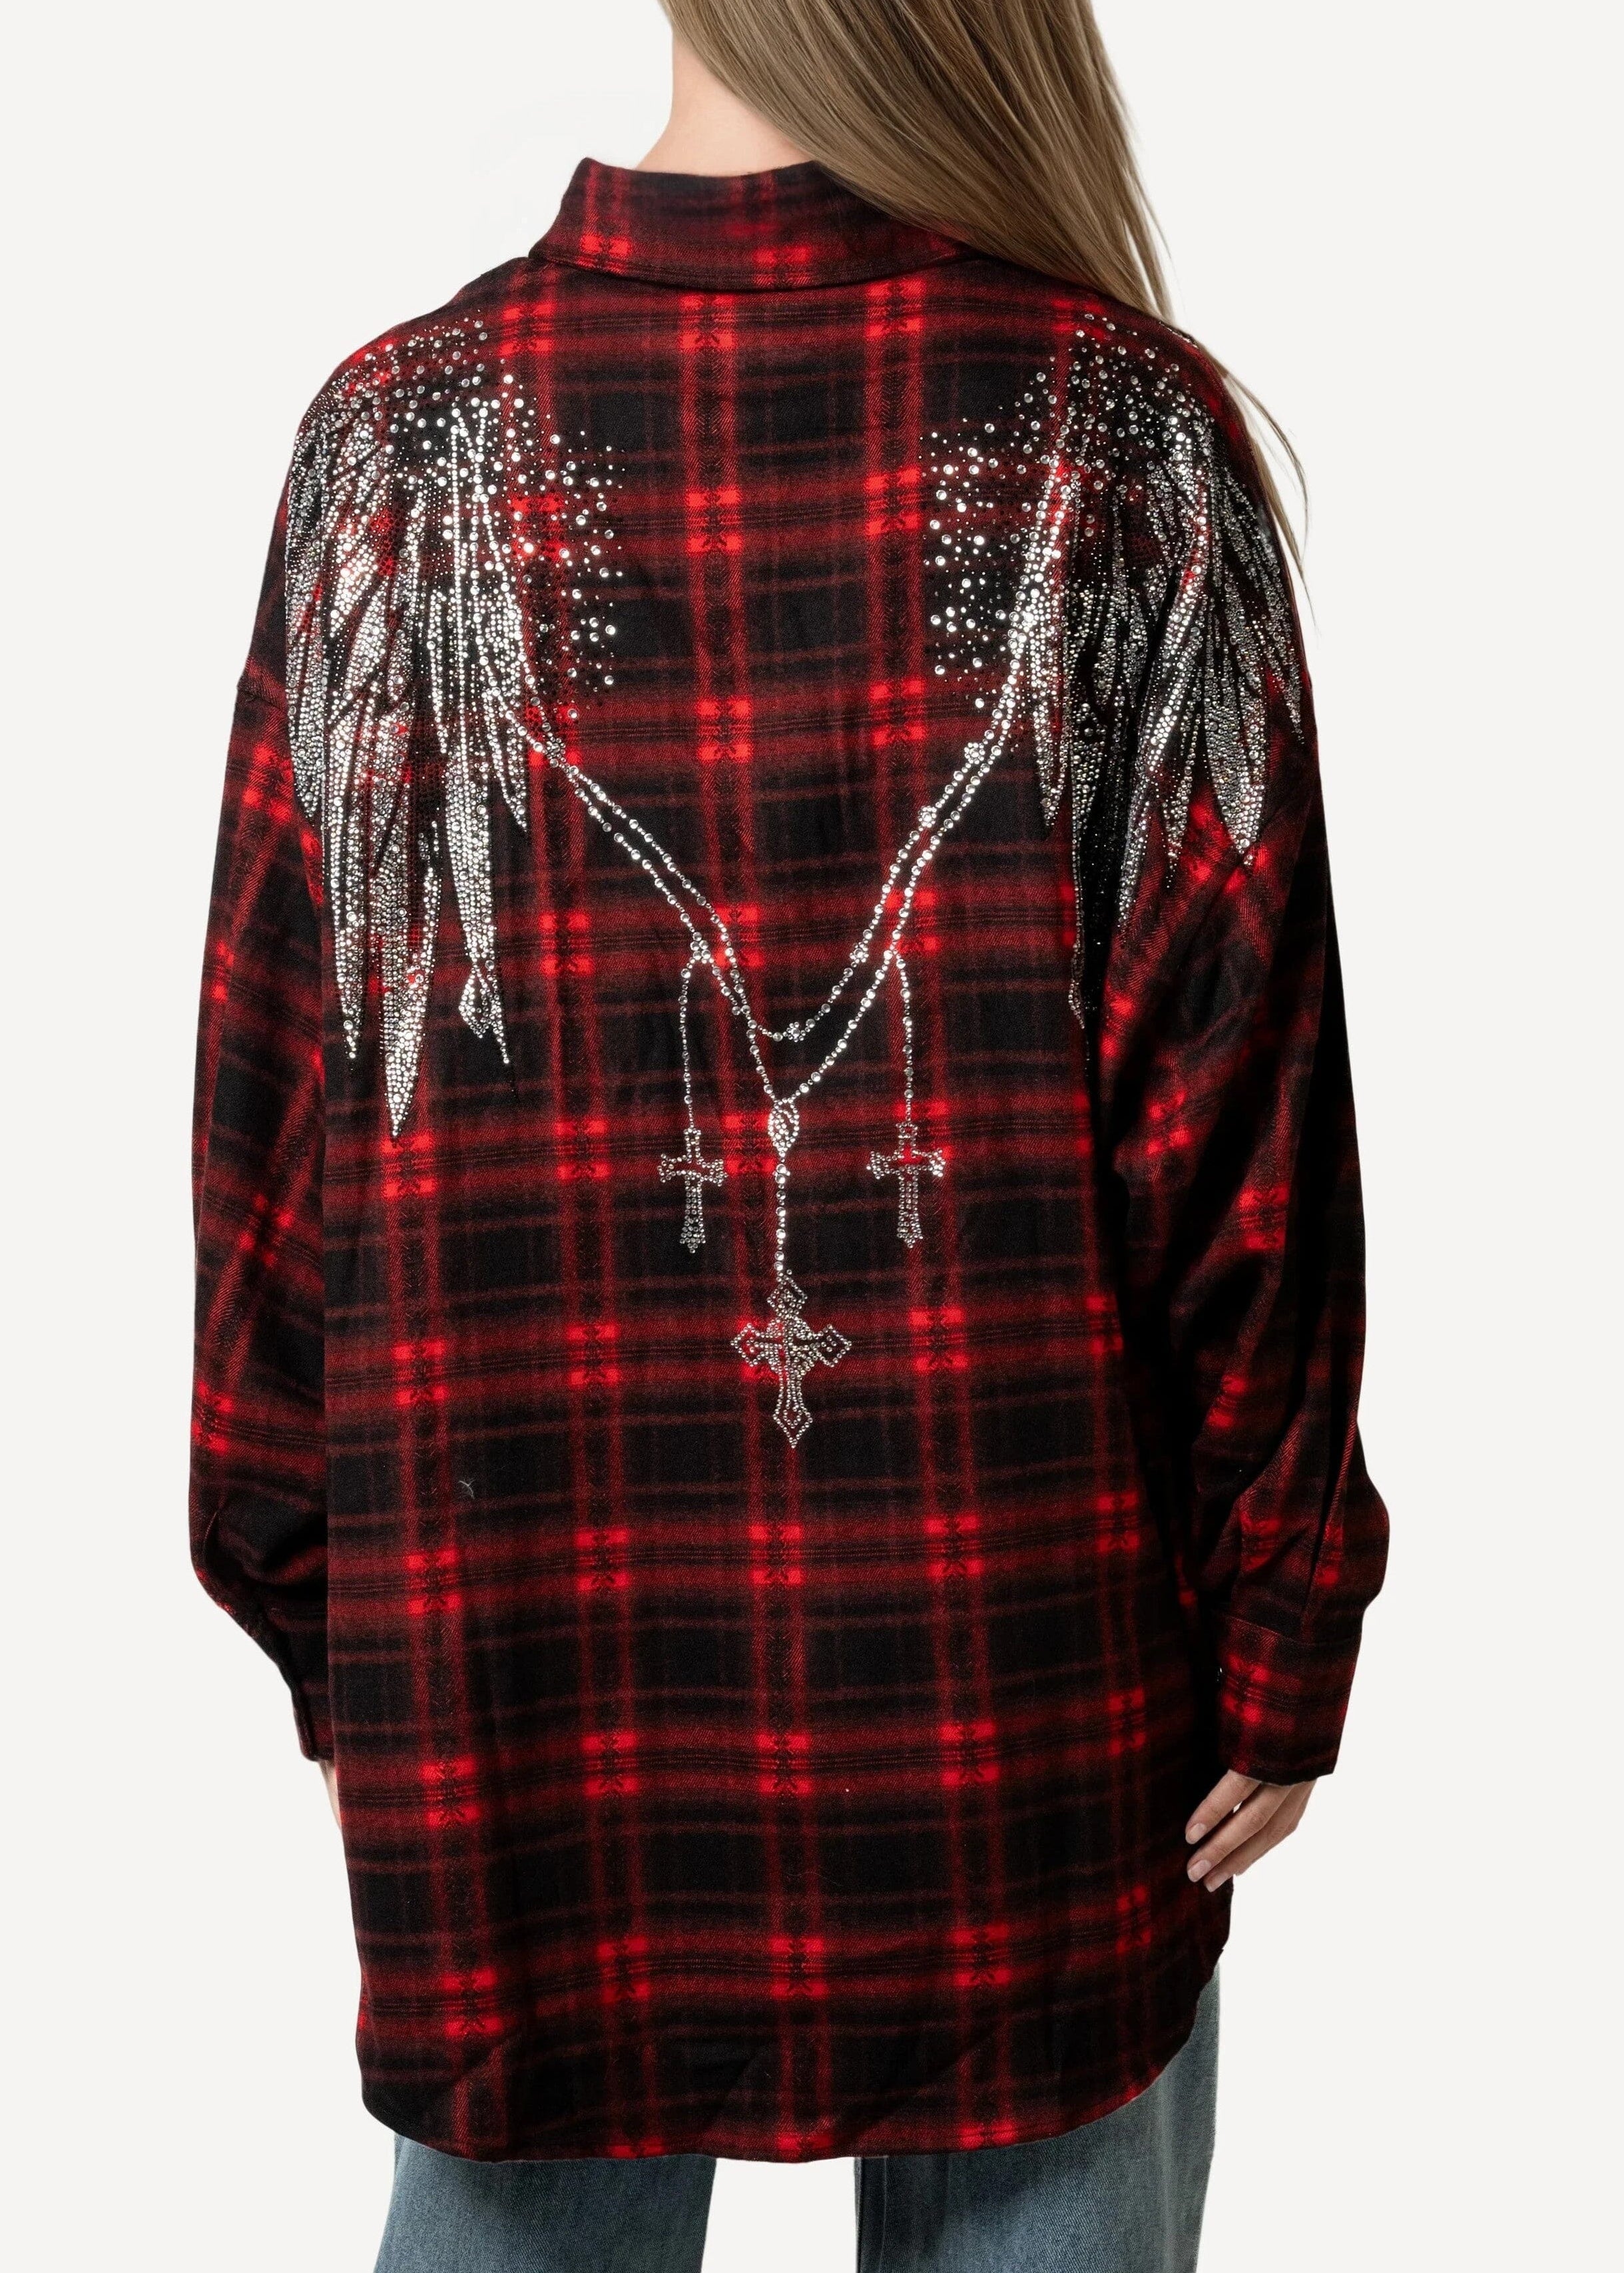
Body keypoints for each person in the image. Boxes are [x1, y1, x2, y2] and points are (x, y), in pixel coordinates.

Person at [190, 3, 1388, 2265]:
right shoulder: (1120, 435)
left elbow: (279, 1106)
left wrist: (325, 1600)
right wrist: (1284, 1603)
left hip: (527, 1650)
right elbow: (1242, 1116)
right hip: (1020, 1654)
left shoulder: (390, 447)